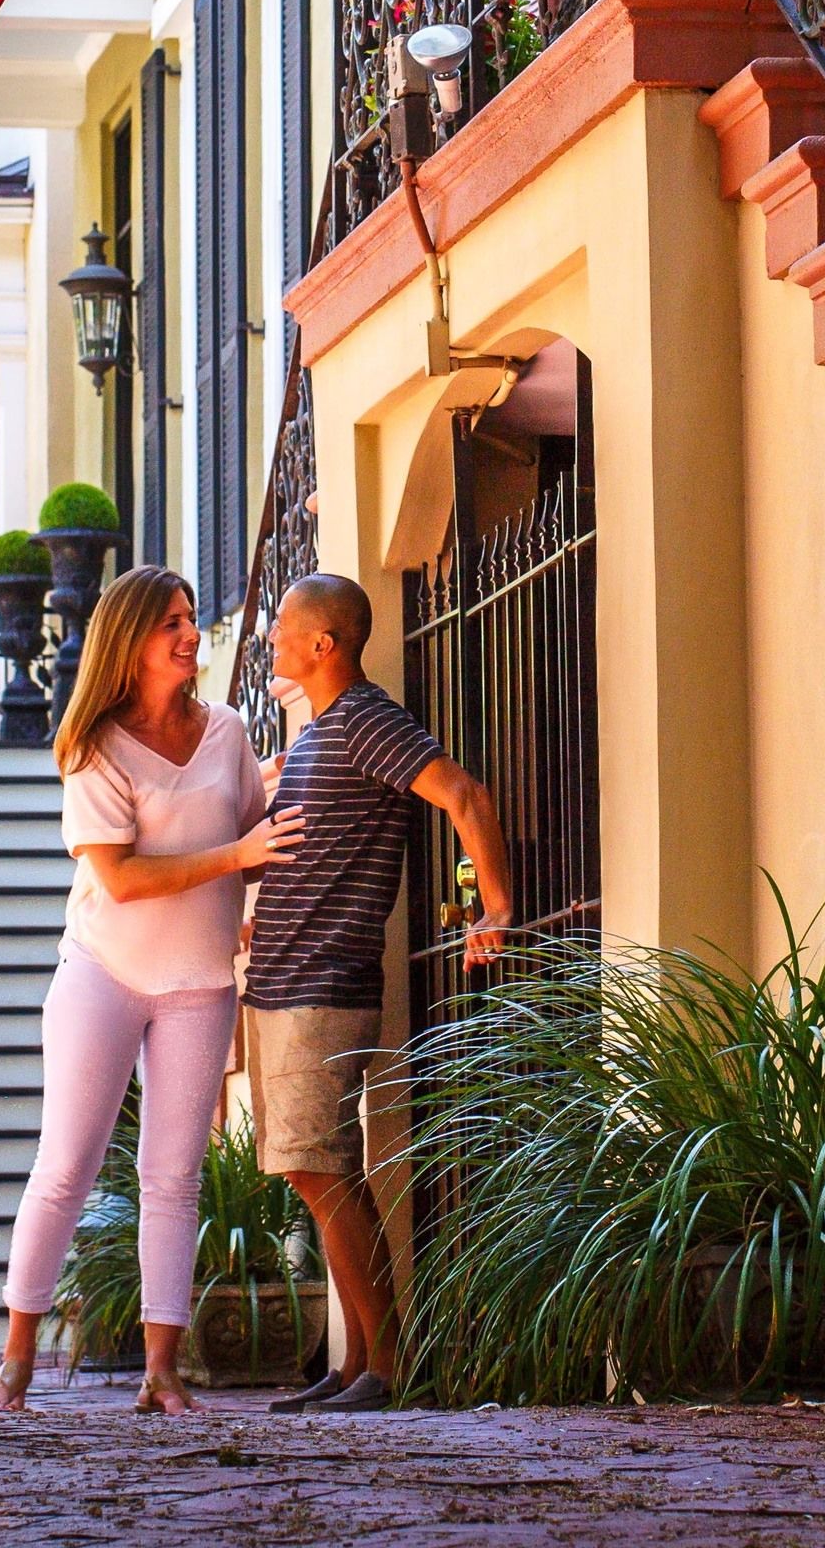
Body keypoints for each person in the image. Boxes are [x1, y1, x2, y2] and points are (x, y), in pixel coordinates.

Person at [0, 565, 303, 1414]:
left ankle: (161, 1373)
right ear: (130, 641)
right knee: (67, 1166)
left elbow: (248, 832)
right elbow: (119, 880)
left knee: (174, 1178)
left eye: (192, 618)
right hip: (104, 974)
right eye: (171, 622)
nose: (190, 633)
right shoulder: (96, 748)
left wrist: (277, 795)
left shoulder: (228, 731)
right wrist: (235, 859)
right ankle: (14, 1363)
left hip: (200, 982)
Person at [246, 572, 514, 1414]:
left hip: (323, 981)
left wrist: (494, 906)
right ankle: (354, 1360)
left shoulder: (366, 719)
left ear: (324, 643)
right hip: (287, 979)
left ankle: (389, 1364)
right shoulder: (324, 729)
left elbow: (466, 796)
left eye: (283, 626)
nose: (271, 638)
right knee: (326, 1174)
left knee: (318, 1173)